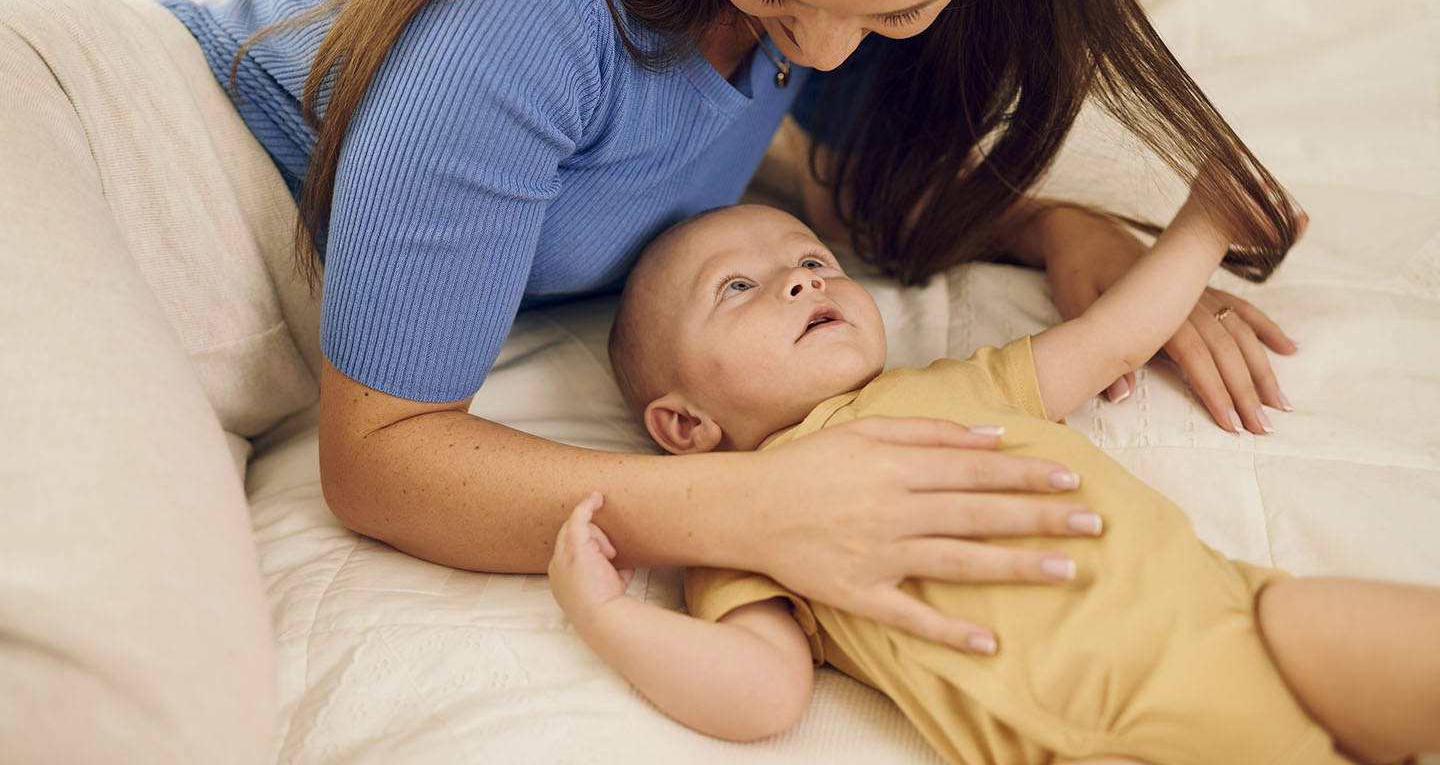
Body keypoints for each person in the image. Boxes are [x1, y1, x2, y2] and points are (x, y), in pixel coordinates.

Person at [1, 0, 1307, 761]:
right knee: (141, 712)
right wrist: (758, 501)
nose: (826, 43)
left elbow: (810, 176)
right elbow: (382, 457)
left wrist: (1054, 229)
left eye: (896, 15)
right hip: (92, 155)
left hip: (213, 322)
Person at [548, 201, 1440, 765]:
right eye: (738, 286)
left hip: (1248, 623)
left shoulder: (950, 387)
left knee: (1358, 625)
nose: (798, 280)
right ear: (684, 428)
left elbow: (1114, 339)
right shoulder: (740, 522)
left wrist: (1204, 225)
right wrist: (609, 617)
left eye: (814, 261)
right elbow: (761, 694)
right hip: (1102, 737)